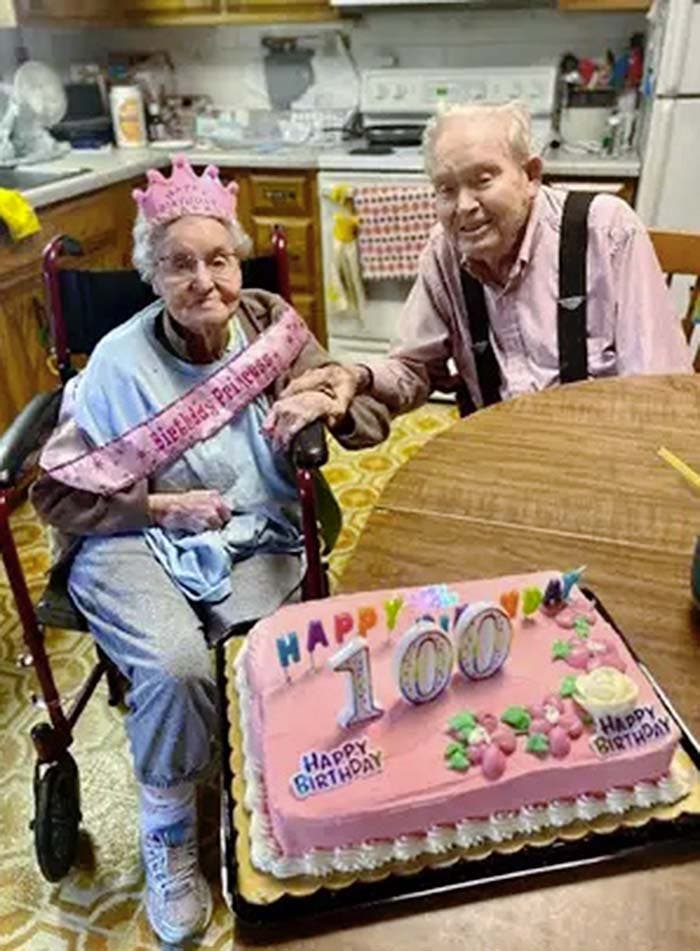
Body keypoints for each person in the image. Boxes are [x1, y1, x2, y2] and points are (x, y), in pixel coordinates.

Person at [30, 155, 389, 945]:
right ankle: (168, 837)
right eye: (179, 263)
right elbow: (54, 494)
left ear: (239, 261)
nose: (205, 280)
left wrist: (327, 396)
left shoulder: (266, 325)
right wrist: (156, 503)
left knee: (267, 652)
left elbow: (352, 415)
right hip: (131, 536)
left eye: (218, 258)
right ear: (150, 275)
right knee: (176, 664)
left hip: (251, 526)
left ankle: (256, 789)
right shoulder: (116, 366)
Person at [268, 101, 692, 426]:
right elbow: (414, 368)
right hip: (493, 450)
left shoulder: (606, 228)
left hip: (599, 448)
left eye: (483, 179)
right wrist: (357, 375)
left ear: (530, 175)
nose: (464, 207)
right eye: (446, 189)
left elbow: (656, 387)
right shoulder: (444, 251)